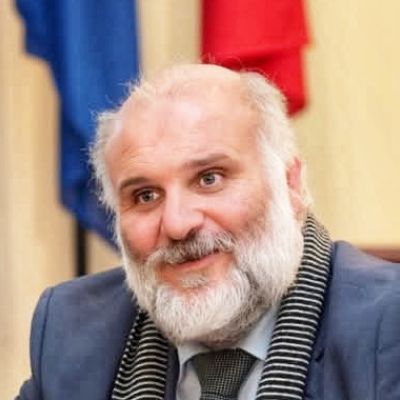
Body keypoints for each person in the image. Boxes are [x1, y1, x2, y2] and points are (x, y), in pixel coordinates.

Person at [17, 64, 400, 400]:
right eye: (146, 196)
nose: (178, 224)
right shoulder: (73, 329)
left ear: (290, 185)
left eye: (209, 179)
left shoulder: (389, 326)